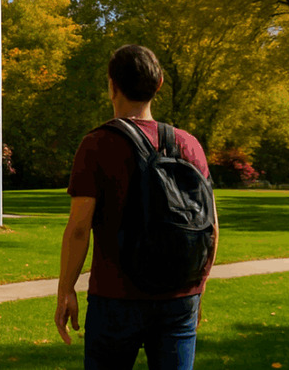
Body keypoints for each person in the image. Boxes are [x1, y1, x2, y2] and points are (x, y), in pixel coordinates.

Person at [55, 45, 218, 370]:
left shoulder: (97, 145)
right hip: (180, 297)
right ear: (158, 84)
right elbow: (211, 227)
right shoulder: (188, 145)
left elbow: (78, 229)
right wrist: (198, 288)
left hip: (115, 297)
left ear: (112, 85)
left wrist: (66, 289)